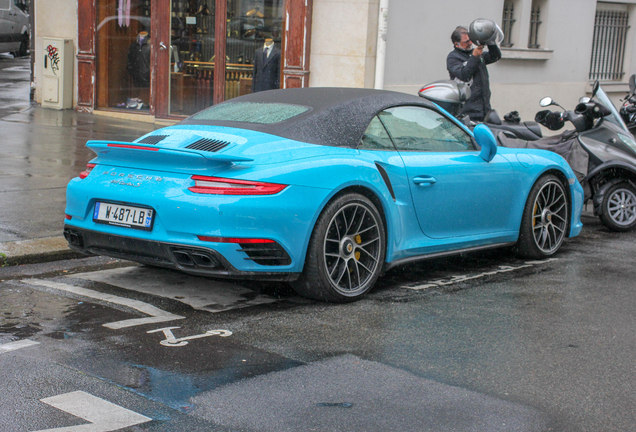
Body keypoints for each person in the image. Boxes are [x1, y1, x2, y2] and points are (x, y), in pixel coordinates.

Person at [447, 25, 501, 122]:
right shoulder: (453, 58)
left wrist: (490, 42)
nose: (470, 43)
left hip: (484, 107)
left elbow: (495, 57)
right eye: (466, 42)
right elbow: (464, 75)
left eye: (470, 40)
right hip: (467, 110)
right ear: (456, 44)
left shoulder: (476, 53)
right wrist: (474, 57)